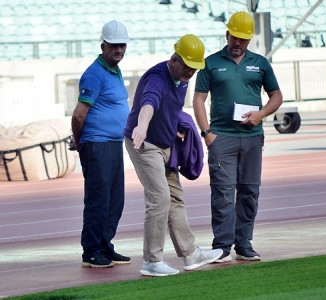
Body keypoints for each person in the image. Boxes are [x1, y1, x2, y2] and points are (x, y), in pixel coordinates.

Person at [124, 34, 223, 277]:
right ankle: (152, 260)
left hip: (166, 143)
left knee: (175, 198)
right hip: (144, 143)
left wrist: (174, 129)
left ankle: (190, 254)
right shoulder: (157, 78)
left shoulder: (183, 77)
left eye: (194, 68)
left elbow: (172, 107)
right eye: (188, 66)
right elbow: (150, 102)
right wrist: (142, 125)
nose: (191, 71)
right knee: (159, 199)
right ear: (174, 59)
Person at [193, 11, 283, 263]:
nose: (238, 43)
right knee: (222, 192)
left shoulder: (261, 63)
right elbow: (199, 99)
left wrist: (261, 115)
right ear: (227, 34)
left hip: (253, 137)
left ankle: (244, 243)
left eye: (243, 40)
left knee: (249, 192)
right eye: (235, 38)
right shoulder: (210, 63)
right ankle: (222, 246)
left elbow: (276, 95)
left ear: (249, 39)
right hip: (221, 138)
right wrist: (207, 133)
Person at [70, 20, 132, 268]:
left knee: (116, 199)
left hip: (113, 143)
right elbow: (78, 114)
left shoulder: (114, 70)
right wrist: (79, 140)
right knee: (99, 198)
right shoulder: (95, 74)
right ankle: (91, 250)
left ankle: (105, 244)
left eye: (122, 45)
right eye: (114, 45)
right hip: (97, 144)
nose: (119, 50)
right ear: (103, 45)